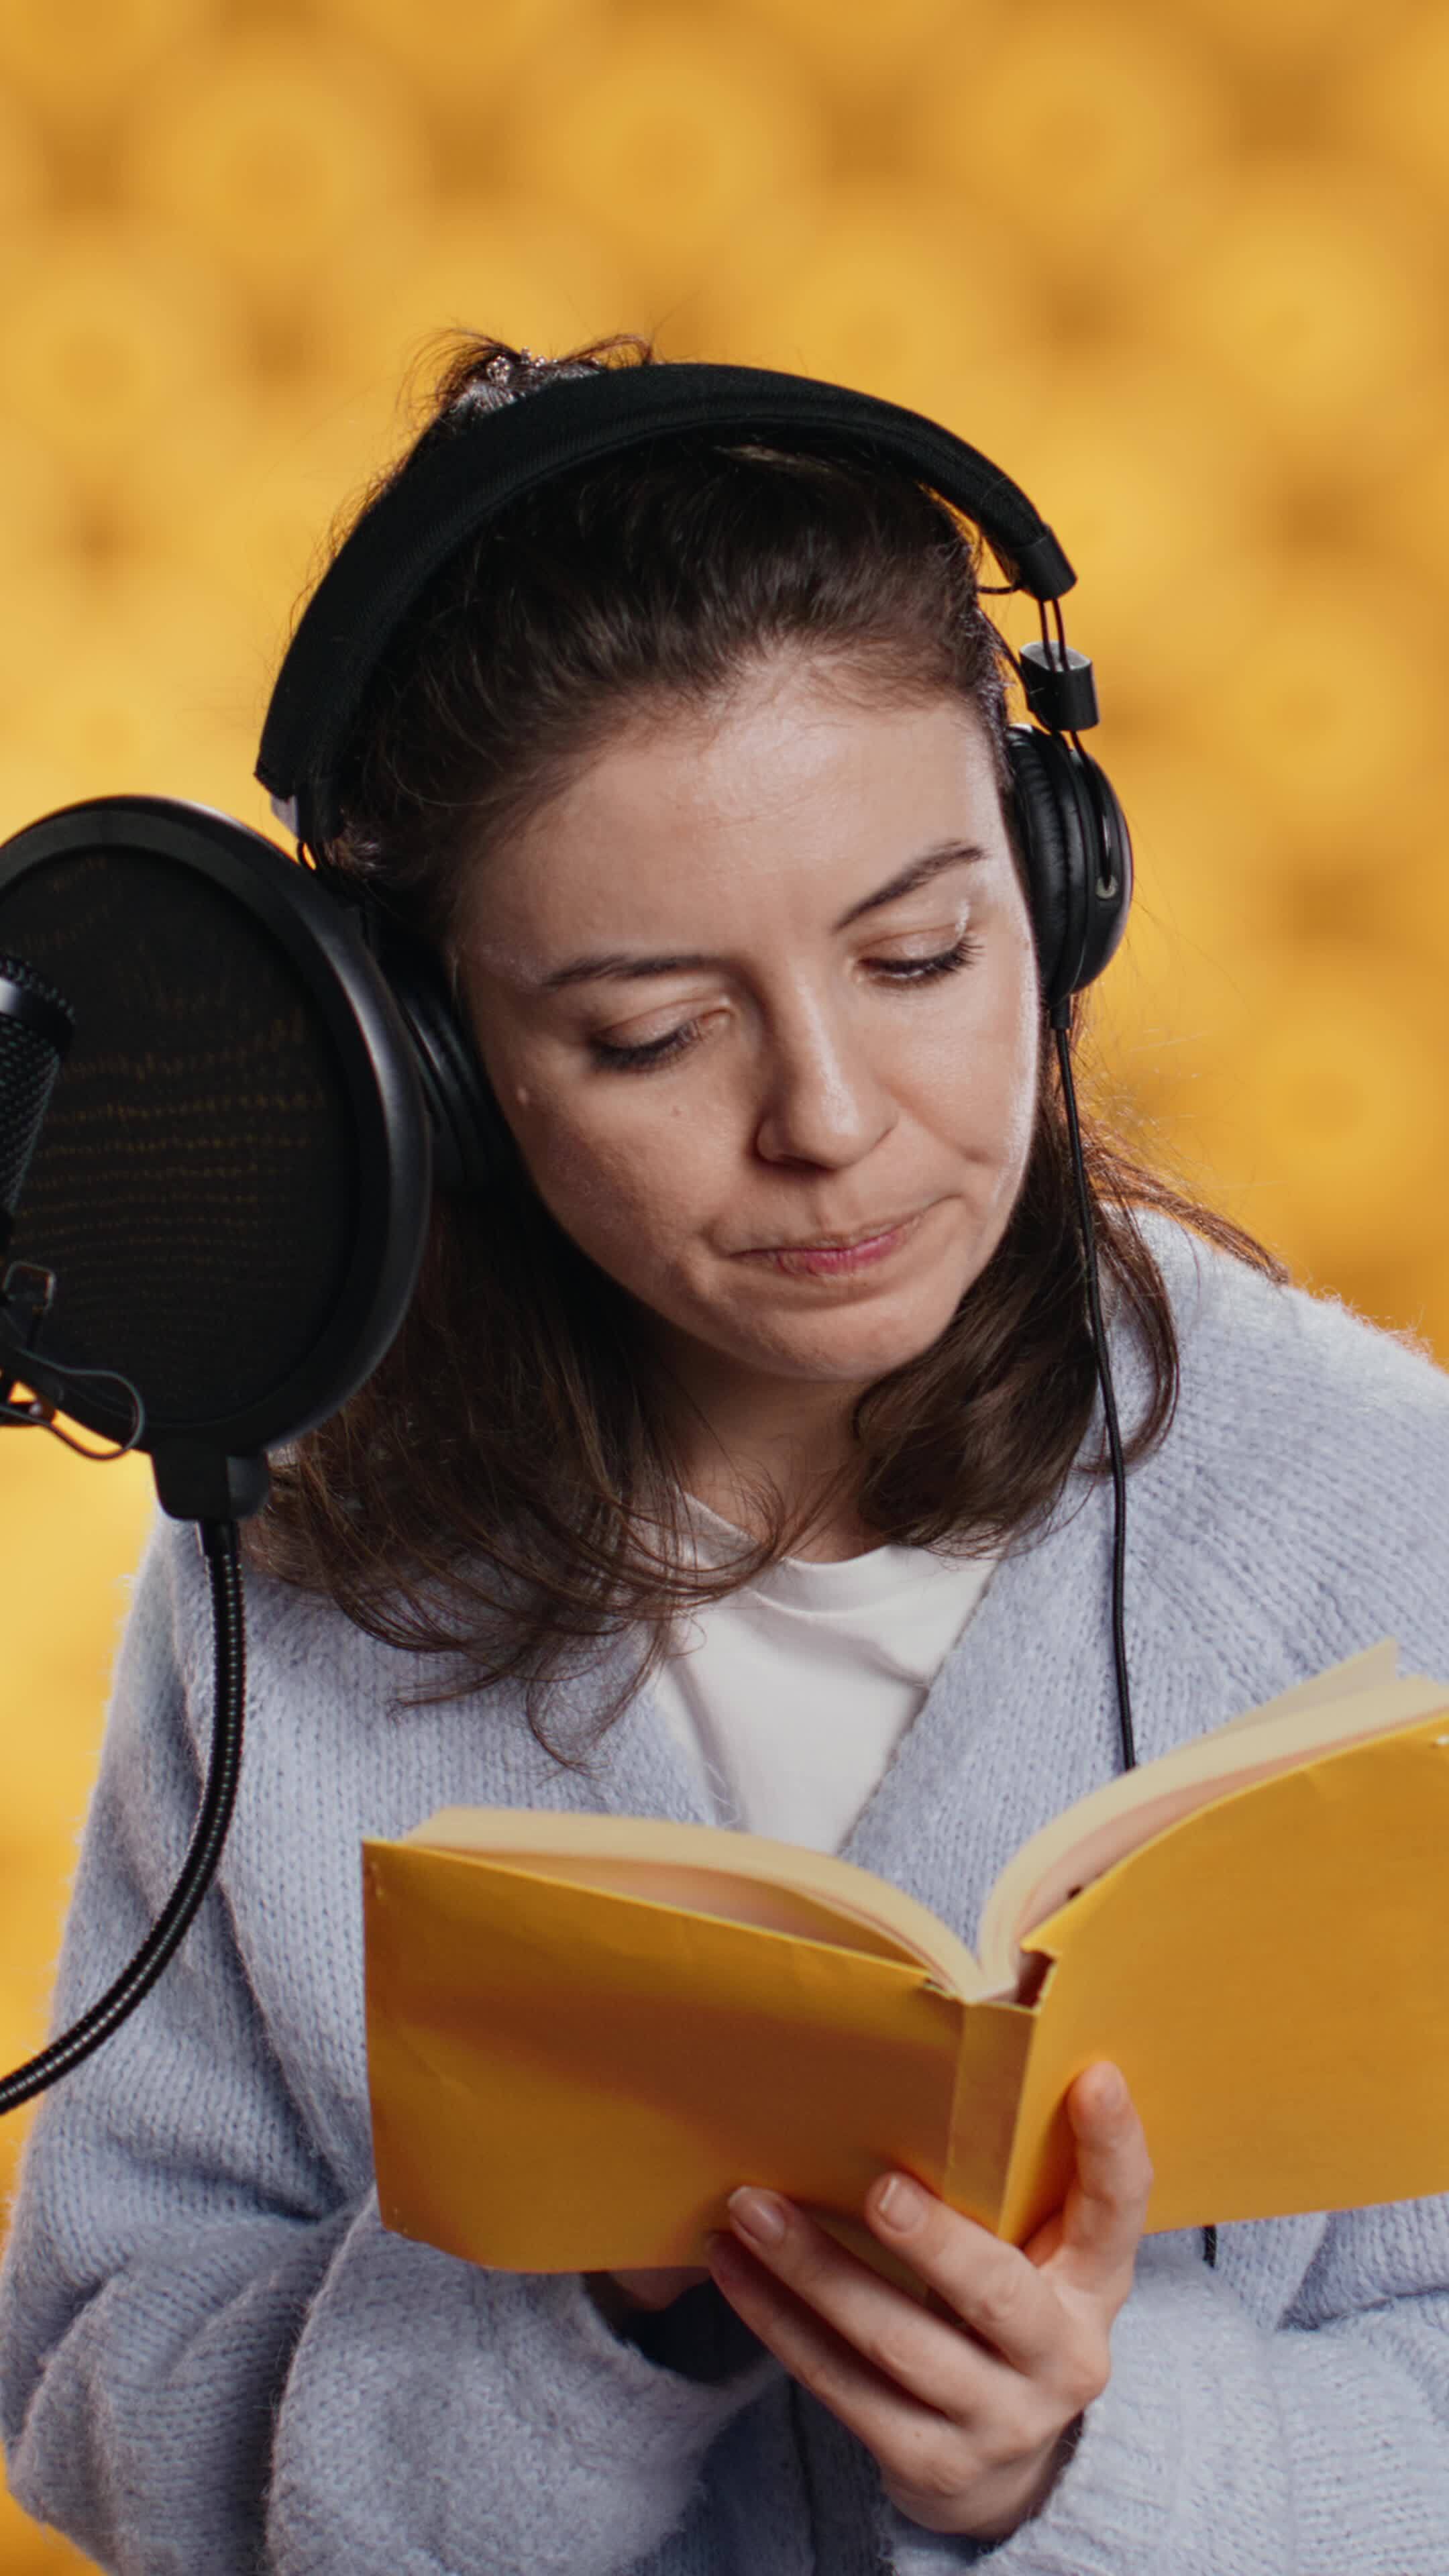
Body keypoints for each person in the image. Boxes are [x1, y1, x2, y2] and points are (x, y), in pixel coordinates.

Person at [2, 333, 1448, 2576]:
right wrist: (581, 2315)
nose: (832, 1120)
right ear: (434, 1064)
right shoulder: (283, 1596)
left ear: (1057, 880)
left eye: (922, 951)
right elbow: (97, 2393)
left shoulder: (1383, 1513)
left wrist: (1095, 2460)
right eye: (654, 1034)